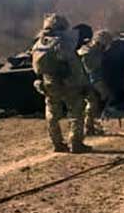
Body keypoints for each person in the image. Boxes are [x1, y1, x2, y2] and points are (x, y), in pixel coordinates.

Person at [31, 13, 91, 153]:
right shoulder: (63, 42)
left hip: (48, 82)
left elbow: (35, 66)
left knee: (52, 113)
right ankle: (76, 144)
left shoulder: (39, 43)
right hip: (68, 82)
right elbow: (74, 64)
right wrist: (83, 84)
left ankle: (57, 144)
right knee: (76, 112)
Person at [78, 29, 114, 135]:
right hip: (88, 81)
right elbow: (91, 70)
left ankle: (91, 126)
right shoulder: (90, 52)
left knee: (94, 103)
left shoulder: (94, 50)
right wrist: (99, 86)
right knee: (93, 102)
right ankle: (89, 127)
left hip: (91, 80)